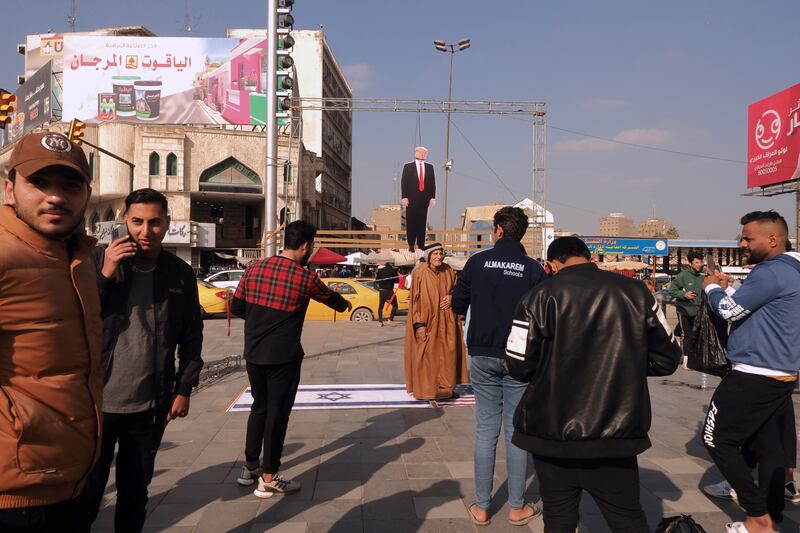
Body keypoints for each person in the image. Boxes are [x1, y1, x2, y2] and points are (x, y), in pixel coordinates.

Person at [505, 237, 681, 532]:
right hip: (616, 430)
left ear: (553, 264)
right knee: (627, 518)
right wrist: (628, 367)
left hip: (551, 430)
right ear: (589, 257)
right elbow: (669, 357)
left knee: (558, 517)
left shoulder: (537, 296)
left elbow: (518, 366)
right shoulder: (636, 292)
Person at [78, 188, 204, 533]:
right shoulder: (97, 260)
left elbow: (192, 334)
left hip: (149, 407)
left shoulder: (179, 273)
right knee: (86, 496)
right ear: (124, 221)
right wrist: (106, 272)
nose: (145, 231)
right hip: (96, 404)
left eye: (154, 222)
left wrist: (184, 389)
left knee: (135, 494)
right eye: (137, 222)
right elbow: (79, 316)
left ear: (167, 224)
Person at [0, 131, 102, 532]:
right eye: (39, 183)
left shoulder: (75, 256)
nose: (55, 197)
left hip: (68, 478)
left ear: (86, 195)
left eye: (69, 185)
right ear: (9, 188)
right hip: (17, 494)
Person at [231, 221, 352, 497]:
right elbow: (331, 299)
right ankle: (269, 477)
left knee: (259, 407)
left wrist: (260, 322)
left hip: (253, 354)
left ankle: (250, 466)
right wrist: (345, 304)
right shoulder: (304, 277)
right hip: (283, 358)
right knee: (277, 414)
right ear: (306, 246)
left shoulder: (254, 268)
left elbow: (237, 306)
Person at [701, 210, 800, 533]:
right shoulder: (790, 269)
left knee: (716, 438)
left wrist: (711, 288)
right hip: (779, 371)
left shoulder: (770, 272)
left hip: (754, 372)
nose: (742, 243)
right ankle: (771, 516)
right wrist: (730, 290)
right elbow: (759, 309)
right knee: (769, 446)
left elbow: (730, 310)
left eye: (748, 238)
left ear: (773, 239)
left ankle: (757, 517)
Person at [451, 207, 546, 527]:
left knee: (485, 430)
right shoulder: (533, 268)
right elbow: (544, 315)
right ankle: (517, 506)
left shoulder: (477, 262)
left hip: (482, 353)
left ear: (498, 230)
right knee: (515, 431)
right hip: (519, 358)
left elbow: (457, 303)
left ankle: (481, 507)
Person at [403, 243, 467, 404]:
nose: (439, 257)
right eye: (435, 254)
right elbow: (415, 301)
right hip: (427, 321)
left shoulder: (449, 271)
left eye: (440, 253)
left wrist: (452, 298)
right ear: (428, 256)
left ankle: (446, 390)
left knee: (447, 354)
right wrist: (419, 324)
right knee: (427, 356)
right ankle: (426, 390)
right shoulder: (419, 273)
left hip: (446, 321)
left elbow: (457, 290)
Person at [401, 146, 436, 252]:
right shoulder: (408, 166)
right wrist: (404, 197)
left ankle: (421, 244)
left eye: (424, 153)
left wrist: (432, 197)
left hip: (424, 199)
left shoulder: (430, 167)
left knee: (422, 222)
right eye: (420, 152)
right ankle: (411, 244)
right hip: (411, 199)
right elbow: (404, 182)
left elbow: (432, 183)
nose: (422, 154)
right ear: (415, 153)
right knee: (411, 221)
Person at [668, 250, 705, 352]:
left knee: (698, 334)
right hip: (684, 311)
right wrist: (684, 294)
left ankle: (695, 356)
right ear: (690, 263)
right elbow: (672, 290)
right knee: (686, 334)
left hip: (699, 311)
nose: (700, 265)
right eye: (696, 262)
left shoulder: (704, 276)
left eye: (701, 262)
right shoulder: (682, 275)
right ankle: (685, 359)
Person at [375, 260, 399, 327]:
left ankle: (380, 322)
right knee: (395, 305)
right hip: (389, 291)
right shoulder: (393, 270)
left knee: (380, 306)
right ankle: (390, 320)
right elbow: (397, 281)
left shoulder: (380, 270)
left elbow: (377, 280)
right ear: (391, 265)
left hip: (382, 291)